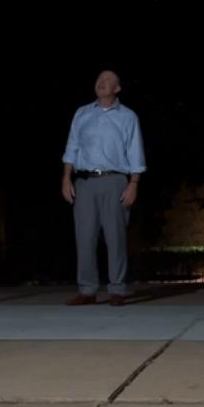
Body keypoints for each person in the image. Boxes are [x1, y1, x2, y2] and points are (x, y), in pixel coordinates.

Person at [61, 70, 146, 306]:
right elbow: (72, 147)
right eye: (99, 78)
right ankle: (87, 290)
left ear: (117, 88)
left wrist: (134, 184)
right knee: (84, 237)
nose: (102, 82)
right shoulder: (82, 113)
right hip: (85, 182)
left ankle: (117, 289)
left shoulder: (128, 117)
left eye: (108, 80)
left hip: (115, 180)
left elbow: (135, 152)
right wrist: (66, 178)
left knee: (115, 237)